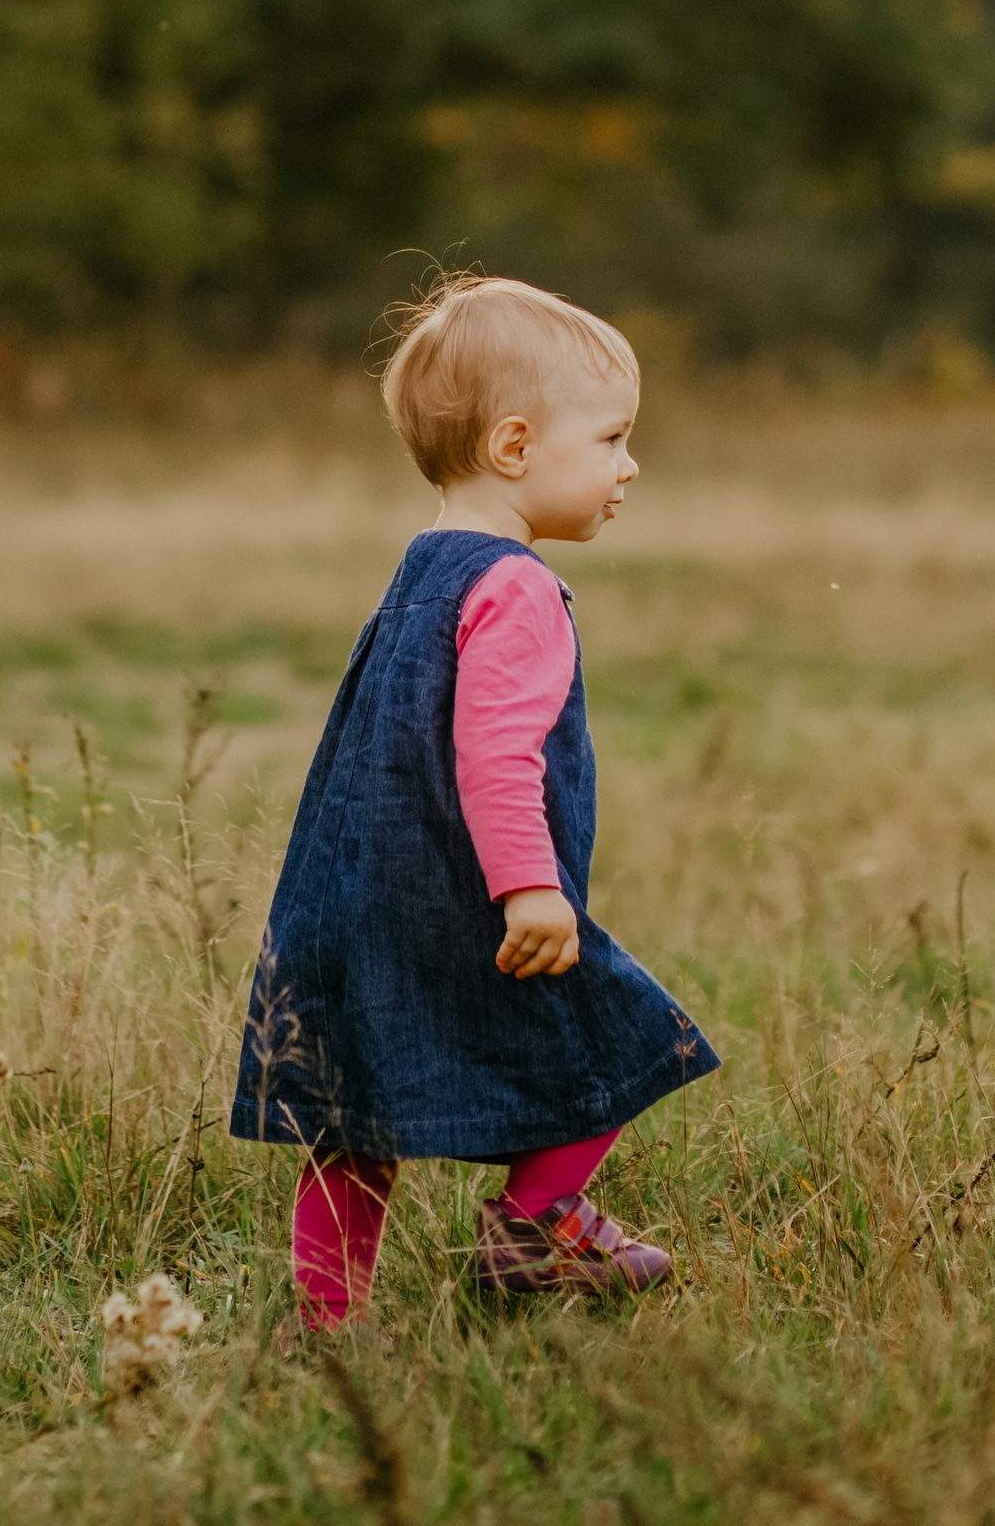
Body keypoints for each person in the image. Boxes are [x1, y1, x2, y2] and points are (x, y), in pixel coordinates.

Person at [230, 273, 717, 1322]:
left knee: (353, 1117)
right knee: (626, 1037)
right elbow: (497, 755)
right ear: (512, 449)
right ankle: (533, 1228)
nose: (629, 468)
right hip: (472, 906)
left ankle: (326, 1324)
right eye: (611, 440)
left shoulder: (420, 570)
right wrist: (530, 889)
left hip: (356, 901)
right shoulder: (519, 588)